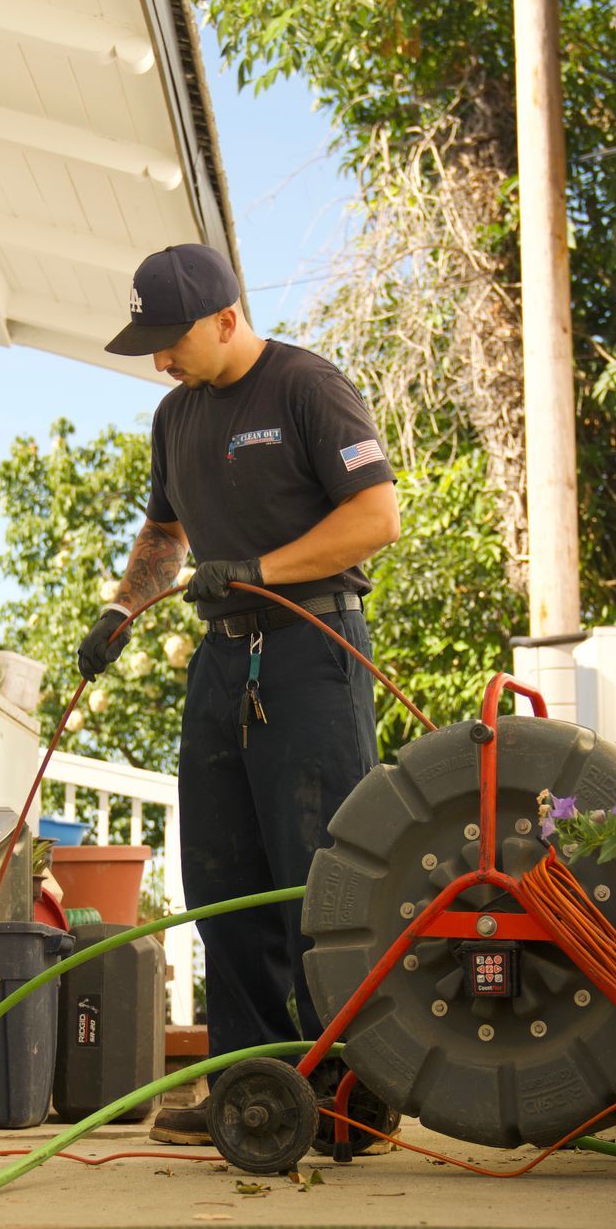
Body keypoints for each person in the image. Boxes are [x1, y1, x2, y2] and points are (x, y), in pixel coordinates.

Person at [79, 243, 400, 1144]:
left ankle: (345, 1095)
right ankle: (250, 1090)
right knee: (223, 878)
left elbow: (376, 518)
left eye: (171, 339)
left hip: (312, 650)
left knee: (320, 879)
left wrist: (260, 569)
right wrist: (122, 607)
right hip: (223, 661)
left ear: (226, 318)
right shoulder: (175, 418)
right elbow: (164, 532)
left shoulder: (307, 387)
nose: (159, 360)